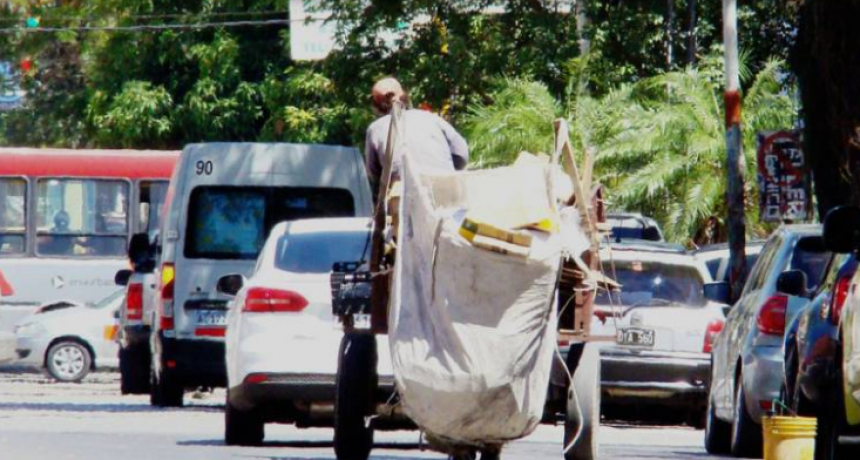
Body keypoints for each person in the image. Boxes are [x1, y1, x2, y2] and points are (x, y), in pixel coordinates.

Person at [364, 77, 469, 198]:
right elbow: (462, 155)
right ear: (404, 95)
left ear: (377, 105)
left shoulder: (375, 129)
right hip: (446, 195)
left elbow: (375, 175)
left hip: (405, 198)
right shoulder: (431, 119)